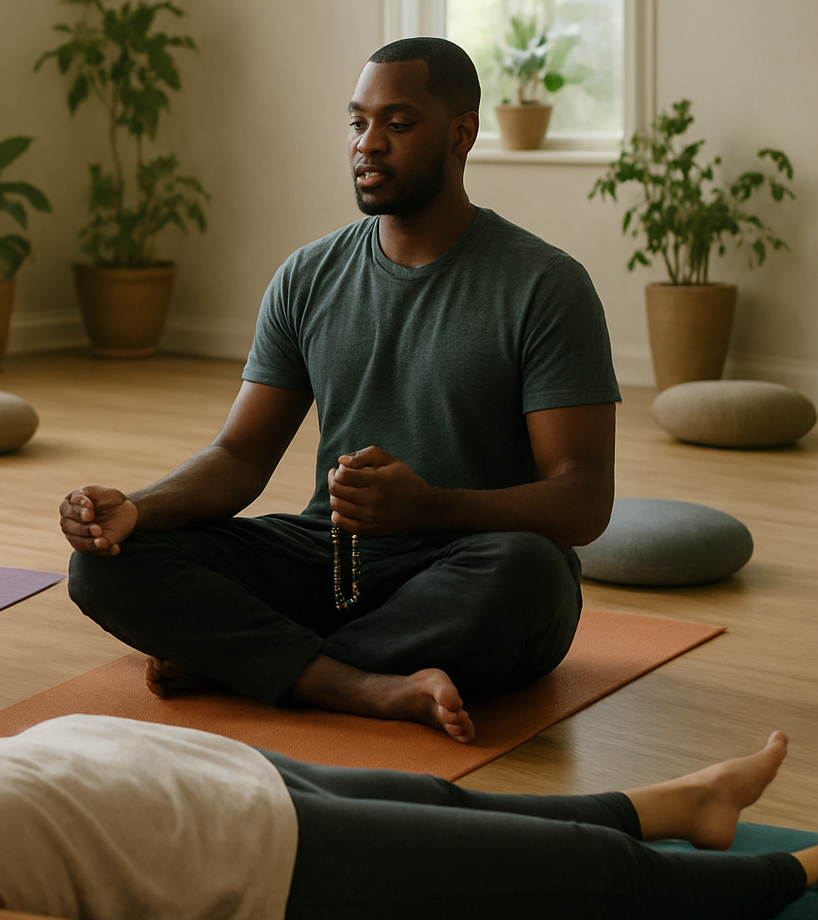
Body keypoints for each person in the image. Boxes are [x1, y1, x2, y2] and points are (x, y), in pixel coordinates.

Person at [59, 37, 620, 743]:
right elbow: (238, 457)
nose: (369, 144)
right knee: (105, 568)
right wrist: (133, 511)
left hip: (469, 564)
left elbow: (582, 500)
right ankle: (361, 685)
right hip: (331, 562)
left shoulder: (544, 286)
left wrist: (429, 507)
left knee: (530, 574)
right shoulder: (307, 276)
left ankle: (252, 662)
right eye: (358, 123)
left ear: (461, 133)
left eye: (398, 123)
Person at [0, 715, 817, 920]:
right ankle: (777, 880)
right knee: (554, 883)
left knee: (449, 801)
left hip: (226, 781)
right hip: (265, 863)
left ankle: (681, 803)